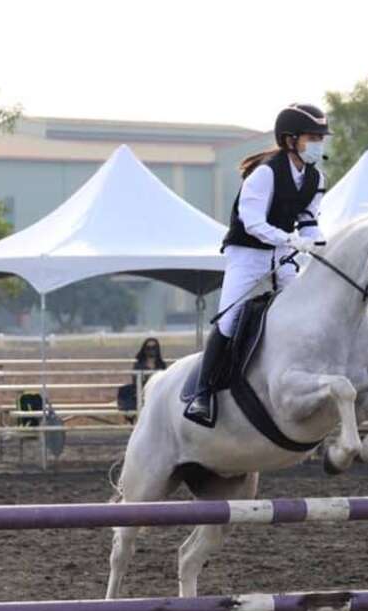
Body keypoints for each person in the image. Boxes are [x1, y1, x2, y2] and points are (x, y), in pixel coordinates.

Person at [184, 103, 330, 426]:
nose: (319, 144)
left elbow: (308, 222)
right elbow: (252, 222)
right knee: (230, 318)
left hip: (282, 254)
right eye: (313, 137)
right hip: (248, 254)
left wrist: (321, 245)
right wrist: (291, 239)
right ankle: (202, 393)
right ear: (290, 140)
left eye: (321, 138)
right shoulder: (264, 173)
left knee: (303, 310)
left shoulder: (316, 178)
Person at [118, 338, 168, 419]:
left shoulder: (161, 364)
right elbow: (136, 381)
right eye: (148, 348)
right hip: (142, 393)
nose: (151, 350)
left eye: (154, 347)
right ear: (144, 349)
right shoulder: (139, 364)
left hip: (158, 392)